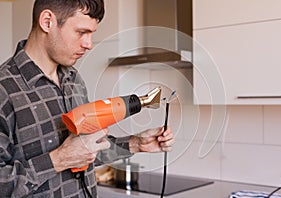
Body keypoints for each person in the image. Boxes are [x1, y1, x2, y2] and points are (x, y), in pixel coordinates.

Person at [0, 0, 175, 197]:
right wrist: (59, 159)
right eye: (81, 32)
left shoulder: (73, 79)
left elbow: (86, 151)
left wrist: (136, 144)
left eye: (91, 34)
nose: (89, 44)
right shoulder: (4, 89)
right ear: (47, 21)